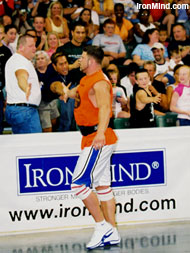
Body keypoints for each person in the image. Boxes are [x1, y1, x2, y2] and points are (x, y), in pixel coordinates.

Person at [55, 45, 120, 250]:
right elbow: (73, 93)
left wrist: (100, 133)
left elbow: (106, 108)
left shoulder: (100, 82)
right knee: (103, 187)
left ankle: (103, 227)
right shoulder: (86, 79)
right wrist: (63, 91)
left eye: (82, 58)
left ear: (91, 61)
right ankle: (112, 232)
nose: (79, 60)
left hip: (97, 138)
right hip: (91, 137)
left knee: (78, 185)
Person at [5, 34, 42, 134]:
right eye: (31, 46)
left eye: (35, 45)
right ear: (21, 47)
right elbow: (21, 76)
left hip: (18, 109)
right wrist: (25, 87)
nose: (35, 49)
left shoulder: (14, 60)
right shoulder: (20, 61)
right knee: (33, 145)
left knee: (21, 146)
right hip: (25, 111)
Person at [50, 51, 77, 131]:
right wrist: (64, 92)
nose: (65, 66)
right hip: (55, 105)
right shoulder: (51, 75)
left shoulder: (72, 73)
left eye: (66, 63)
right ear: (54, 66)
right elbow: (56, 86)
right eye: (61, 64)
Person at [34, 50, 60, 132]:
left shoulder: (53, 71)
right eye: (38, 59)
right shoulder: (34, 74)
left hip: (53, 101)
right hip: (42, 103)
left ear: (47, 60)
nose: (40, 60)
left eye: (42, 58)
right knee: (47, 126)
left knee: (54, 122)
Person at [0, 24, 12, 134]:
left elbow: (9, 72)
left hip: (3, 87)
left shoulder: (6, 51)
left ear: (3, 35)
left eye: (0, 33)